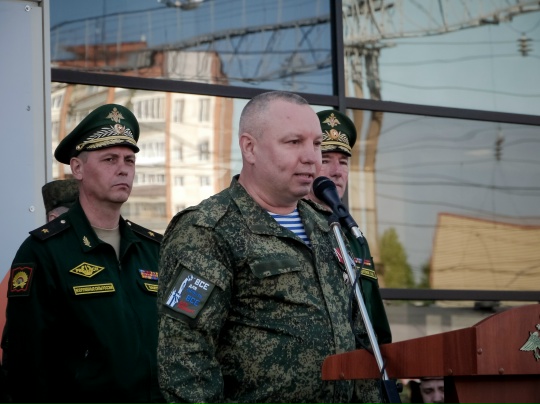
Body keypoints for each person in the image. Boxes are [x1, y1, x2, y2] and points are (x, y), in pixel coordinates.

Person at [157, 91, 382, 404]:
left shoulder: (327, 228)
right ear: (250, 148)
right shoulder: (208, 229)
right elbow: (184, 352)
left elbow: (359, 337)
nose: (312, 158)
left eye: (316, 144)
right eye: (294, 142)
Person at [1, 104, 164, 403]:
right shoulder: (45, 251)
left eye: (129, 159)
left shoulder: (152, 248)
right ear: (77, 168)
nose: (123, 168)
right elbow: (25, 363)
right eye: (109, 159)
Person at [307, 109, 392, 346]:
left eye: (343, 162)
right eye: (325, 160)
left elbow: (374, 317)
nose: (336, 172)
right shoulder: (291, 226)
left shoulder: (352, 234)